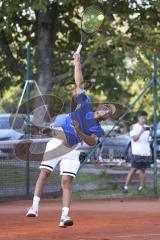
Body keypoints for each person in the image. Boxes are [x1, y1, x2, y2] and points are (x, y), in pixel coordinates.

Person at [26, 53, 117, 227]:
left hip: (72, 151)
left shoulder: (97, 129)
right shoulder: (85, 105)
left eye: (109, 112)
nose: (106, 110)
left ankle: (64, 217)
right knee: (44, 174)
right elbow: (79, 82)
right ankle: (34, 207)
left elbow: (91, 142)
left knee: (66, 182)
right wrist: (77, 62)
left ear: (106, 118)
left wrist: (78, 131)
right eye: (106, 107)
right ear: (99, 107)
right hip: (57, 143)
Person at [123, 111, 152, 193]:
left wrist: (150, 134)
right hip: (137, 152)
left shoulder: (148, 127)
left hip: (146, 152)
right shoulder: (133, 127)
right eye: (142, 117)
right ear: (138, 118)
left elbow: (149, 141)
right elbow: (135, 139)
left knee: (143, 170)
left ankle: (141, 187)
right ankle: (126, 186)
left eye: (145, 117)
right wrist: (141, 131)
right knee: (133, 169)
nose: (144, 119)